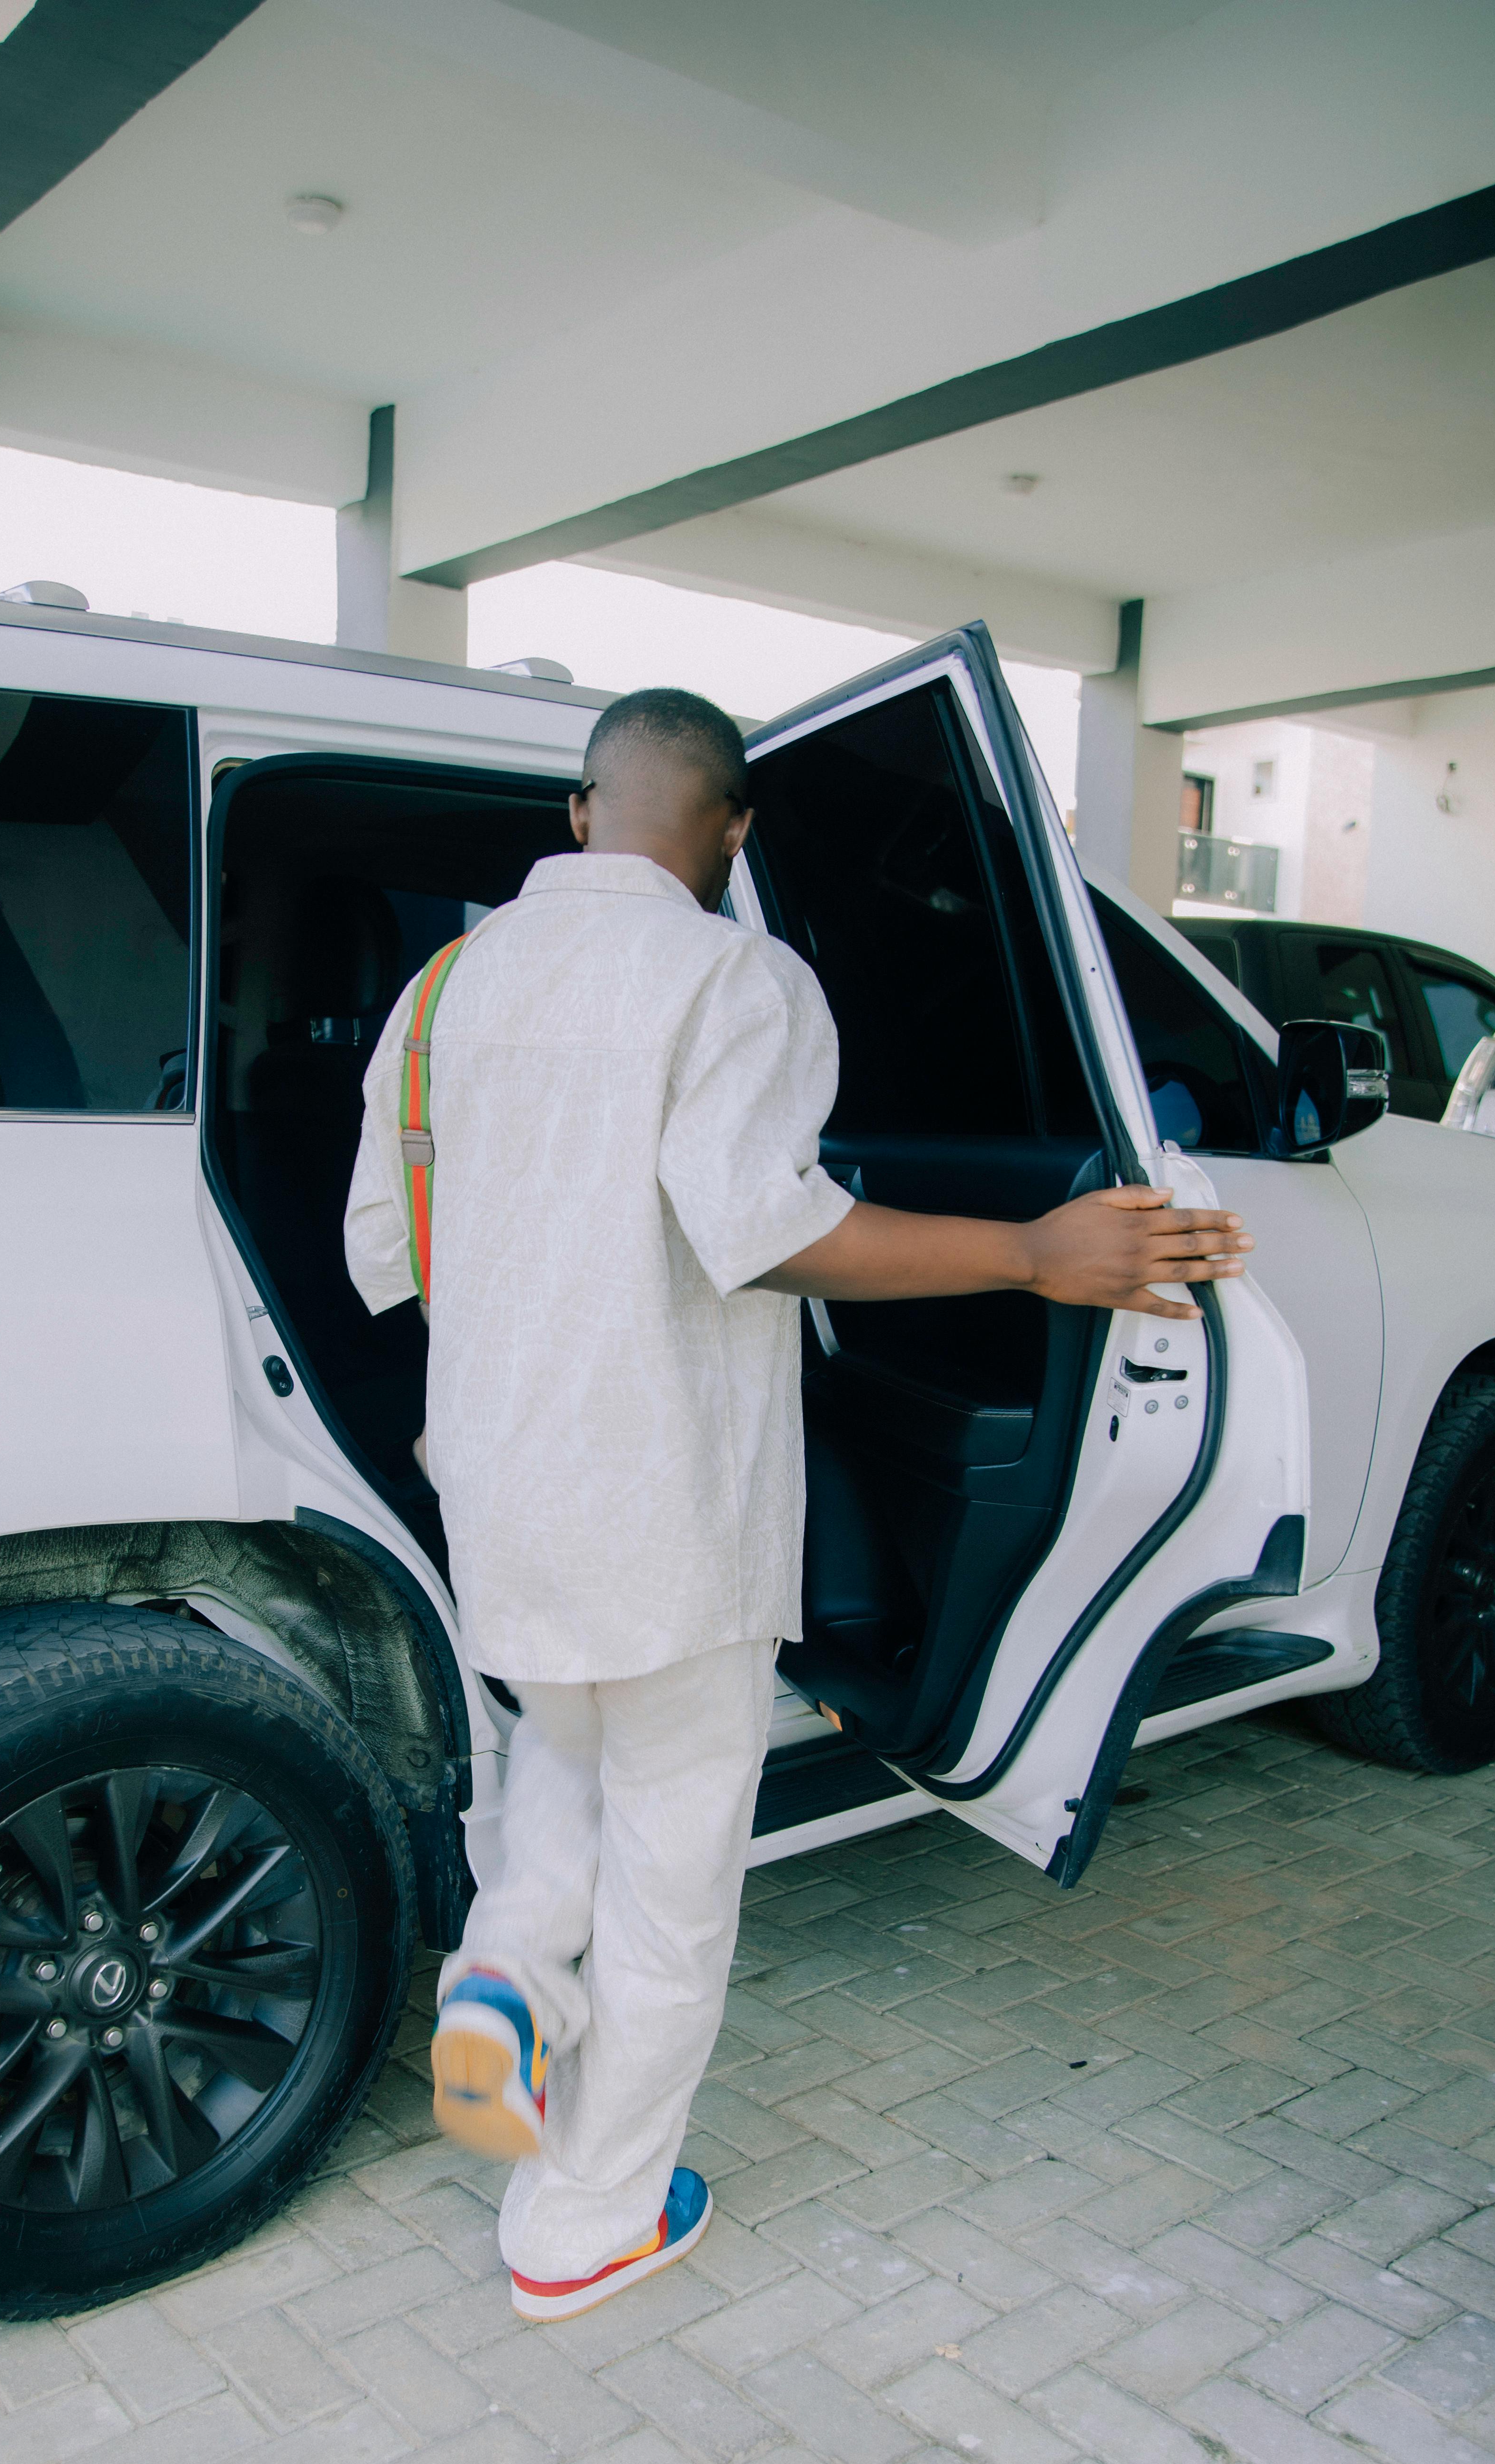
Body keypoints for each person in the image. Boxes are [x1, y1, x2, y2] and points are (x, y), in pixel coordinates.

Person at [343, 687, 1251, 2322]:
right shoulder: (737, 980)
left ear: (579, 814)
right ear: (736, 831)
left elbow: (392, 1254)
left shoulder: (437, 992)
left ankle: (501, 1994)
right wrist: (1036, 1255)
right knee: (676, 1863)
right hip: (666, 1508)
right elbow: (770, 1228)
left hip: (498, 1482)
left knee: (563, 1746)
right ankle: (583, 2222)